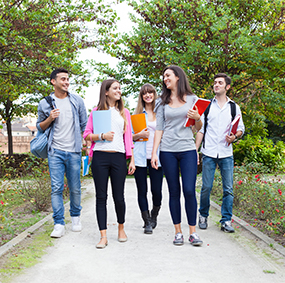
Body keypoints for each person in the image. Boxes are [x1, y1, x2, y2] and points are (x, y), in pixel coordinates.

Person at [151, 65, 203, 246]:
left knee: (189, 190)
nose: (165, 78)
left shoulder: (192, 99)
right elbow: (159, 128)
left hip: (187, 148)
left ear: (178, 77)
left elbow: (198, 128)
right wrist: (154, 153)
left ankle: (193, 232)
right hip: (168, 151)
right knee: (174, 192)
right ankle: (178, 232)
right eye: (164, 76)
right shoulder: (161, 102)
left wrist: (197, 117)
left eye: (168, 75)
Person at [83, 79, 135, 249]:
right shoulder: (96, 112)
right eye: (115, 88)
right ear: (106, 92)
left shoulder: (124, 112)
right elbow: (87, 135)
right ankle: (103, 235)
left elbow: (128, 138)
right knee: (101, 197)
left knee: (119, 197)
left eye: (120, 88)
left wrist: (131, 159)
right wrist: (102, 136)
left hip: (119, 157)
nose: (119, 91)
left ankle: (121, 228)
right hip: (100, 158)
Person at [36, 67, 87, 238]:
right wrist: (50, 118)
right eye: (63, 79)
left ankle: (75, 217)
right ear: (53, 81)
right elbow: (40, 127)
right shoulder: (45, 103)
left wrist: (86, 141)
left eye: (67, 79)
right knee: (56, 188)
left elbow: (84, 125)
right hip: (55, 151)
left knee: (75, 188)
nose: (66, 82)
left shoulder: (77, 101)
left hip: (73, 151)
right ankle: (58, 223)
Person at [196, 73, 245, 233]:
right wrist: (195, 151)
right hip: (209, 152)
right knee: (206, 187)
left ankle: (226, 221)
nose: (216, 85)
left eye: (220, 83)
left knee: (228, 189)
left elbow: (240, 129)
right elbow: (201, 130)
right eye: (215, 82)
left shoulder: (233, 107)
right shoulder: (207, 106)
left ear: (227, 87)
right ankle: (203, 215)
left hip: (226, 153)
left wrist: (234, 137)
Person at [133, 84, 163, 234]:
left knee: (156, 191)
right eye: (144, 93)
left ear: (154, 94)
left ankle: (154, 214)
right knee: (142, 190)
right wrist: (139, 136)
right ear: (141, 96)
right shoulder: (137, 114)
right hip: (140, 158)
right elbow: (129, 138)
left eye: (150, 92)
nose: (148, 95)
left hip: (156, 157)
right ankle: (146, 222)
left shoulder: (161, 113)